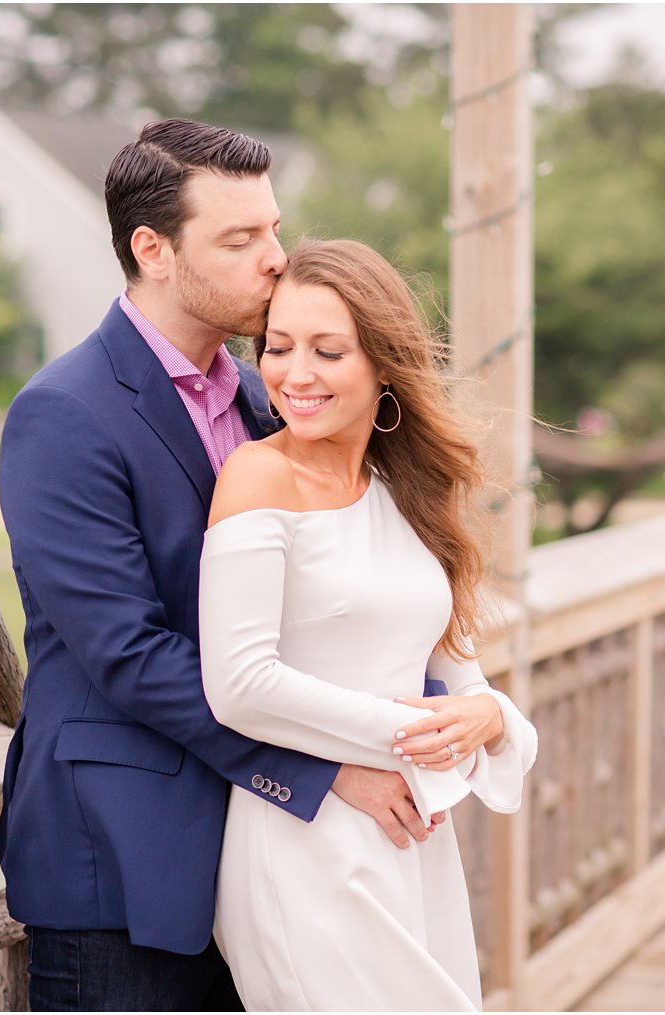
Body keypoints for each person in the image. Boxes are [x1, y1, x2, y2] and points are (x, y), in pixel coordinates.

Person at [0, 120, 502, 1011]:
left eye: (273, 227)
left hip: (281, 857)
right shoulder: (64, 415)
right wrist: (327, 764)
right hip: (129, 861)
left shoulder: (278, 395)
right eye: (240, 239)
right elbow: (126, 651)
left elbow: (335, 589)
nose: (276, 258)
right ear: (152, 249)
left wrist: (447, 712)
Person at [199, 238, 540, 1010]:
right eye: (278, 348)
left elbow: (460, 673)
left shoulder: (407, 492)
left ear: (383, 363)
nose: (294, 374)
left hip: (411, 843)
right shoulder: (259, 473)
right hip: (303, 842)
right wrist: (411, 738)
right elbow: (240, 684)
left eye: (328, 350)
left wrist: (489, 713)